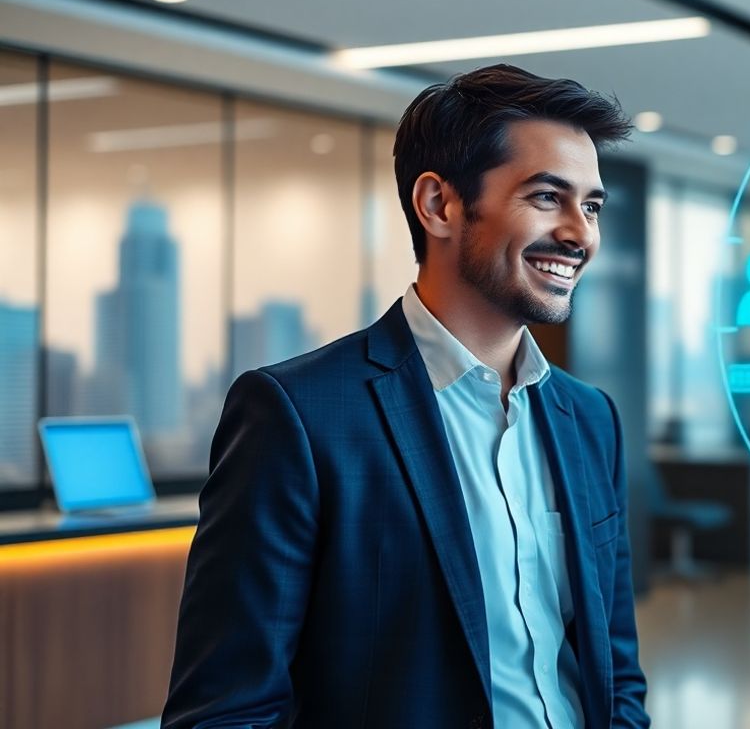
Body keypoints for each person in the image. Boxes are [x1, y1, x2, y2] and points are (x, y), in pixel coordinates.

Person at [163, 65, 649, 728]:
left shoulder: (589, 419)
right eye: (546, 197)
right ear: (439, 205)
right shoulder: (300, 416)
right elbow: (226, 711)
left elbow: (615, 671)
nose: (580, 234)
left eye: (590, 206)